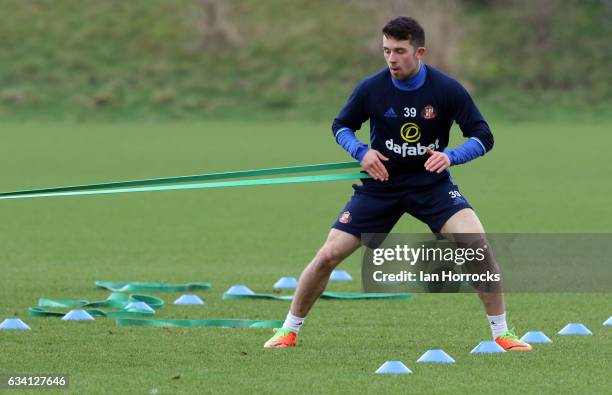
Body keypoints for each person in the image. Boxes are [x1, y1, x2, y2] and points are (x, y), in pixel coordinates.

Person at [264, 16, 531, 351]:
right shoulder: (372, 88)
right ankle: (288, 330)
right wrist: (361, 152)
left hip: (431, 186)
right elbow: (341, 126)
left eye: (400, 51)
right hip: (380, 186)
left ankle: (502, 333)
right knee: (329, 254)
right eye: (386, 50)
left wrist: (451, 156)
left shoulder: (446, 89)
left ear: (419, 52)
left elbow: (483, 136)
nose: (391, 58)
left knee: (476, 244)